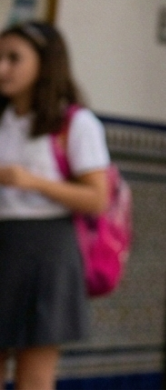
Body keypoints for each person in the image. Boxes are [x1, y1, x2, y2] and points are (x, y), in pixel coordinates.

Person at [0, 21, 110, 390]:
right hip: (3, 240)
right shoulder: (3, 120)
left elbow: (98, 198)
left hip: (46, 250)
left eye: (14, 58)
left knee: (34, 371)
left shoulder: (74, 124)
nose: (2, 68)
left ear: (45, 64)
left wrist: (33, 182)